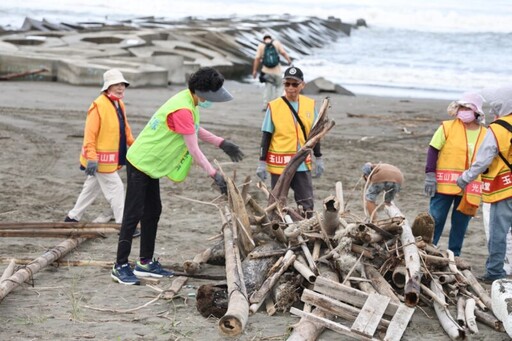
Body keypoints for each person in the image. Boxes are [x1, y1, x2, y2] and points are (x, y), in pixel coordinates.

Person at [112, 67, 244, 285]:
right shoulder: (183, 108)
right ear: (202, 90)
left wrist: (221, 142)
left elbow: (194, 129)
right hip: (140, 162)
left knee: (153, 211)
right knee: (133, 213)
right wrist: (214, 174)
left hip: (151, 165)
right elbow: (193, 149)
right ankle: (120, 266)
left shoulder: (189, 101)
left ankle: (144, 263)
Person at [65, 69, 137, 232]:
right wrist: (91, 158)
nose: (120, 88)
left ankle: (72, 217)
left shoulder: (119, 104)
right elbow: (90, 135)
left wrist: (135, 144)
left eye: (122, 85)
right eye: (116, 85)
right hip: (99, 160)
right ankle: (123, 225)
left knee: (91, 188)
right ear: (108, 87)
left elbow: (125, 129)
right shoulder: (98, 106)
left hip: (109, 160)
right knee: (116, 188)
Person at [457, 85, 512, 283]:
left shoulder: (497, 130)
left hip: (503, 188)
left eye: (494, 105)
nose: (490, 110)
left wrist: (465, 178)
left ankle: (495, 271)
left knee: (499, 230)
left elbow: (483, 160)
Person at [424, 92, 486, 257]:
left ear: (477, 112)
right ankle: (429, 251)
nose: (464, 110)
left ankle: (454, 255)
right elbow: (433, 149)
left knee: (460, 225)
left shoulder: (486, 133)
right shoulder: (447, 127)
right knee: (435, 220)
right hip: (443, 185)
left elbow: (487, 161)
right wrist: (430, 174)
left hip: (470, 188)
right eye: (462, 107)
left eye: (468, 108)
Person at [256, 66, 323, 218]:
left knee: (307, 203)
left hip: (302, 163)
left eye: (294, 84)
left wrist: (318, 157)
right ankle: (278, 231)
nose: (290, 88)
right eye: (287, 84)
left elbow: (315, 134)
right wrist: (261, 162)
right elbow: (266, 136)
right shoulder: (274, 106)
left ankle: (306, 231)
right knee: (277, 203)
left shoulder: (309, 105)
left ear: (302, 85)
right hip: (279, 164)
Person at [252, 34, 292, 111]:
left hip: (266, 72)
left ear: (264, 39)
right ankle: (278, 105)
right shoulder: (276, 43)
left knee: (268, 88)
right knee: (280, 87)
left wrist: (254, 71)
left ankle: (266, 106)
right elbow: (283, 53)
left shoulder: (261, 45)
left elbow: (257, 59)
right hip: (277, 71)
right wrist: (289, 61)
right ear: (270, 38)